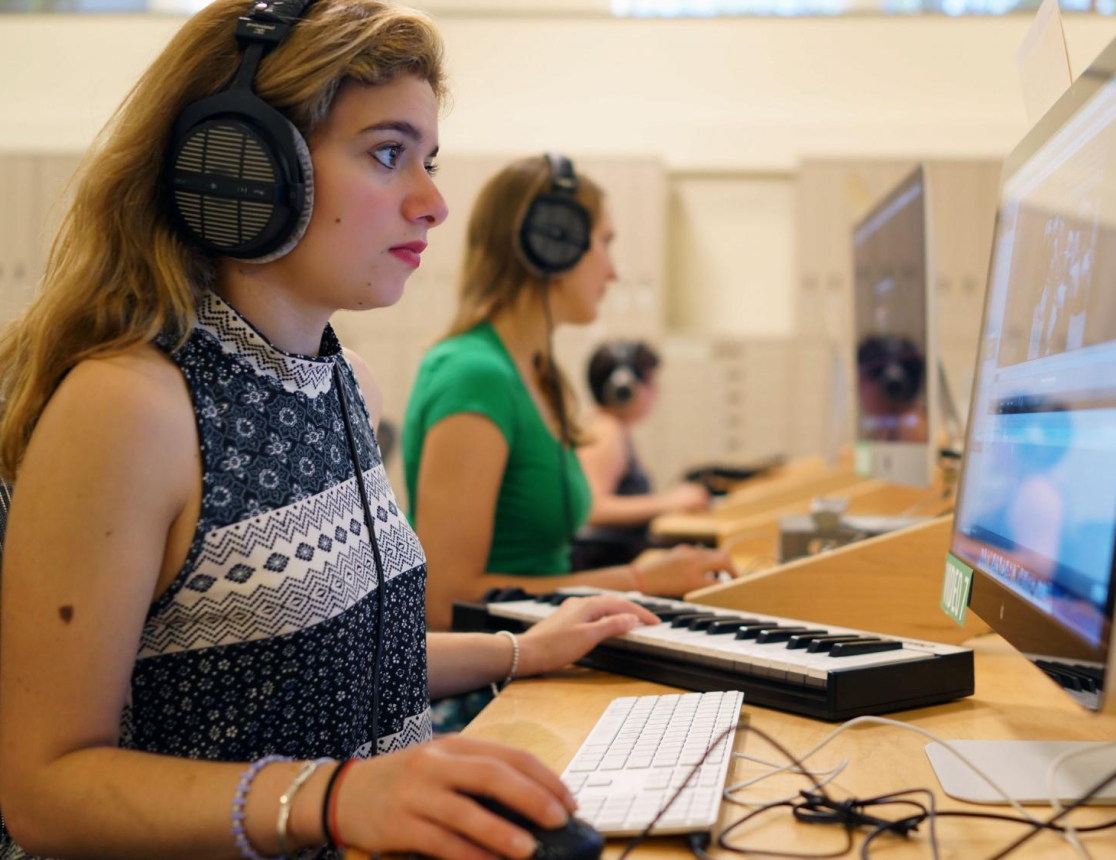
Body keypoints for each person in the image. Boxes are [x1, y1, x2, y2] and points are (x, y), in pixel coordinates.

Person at [0, 2, 659, 857]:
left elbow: (337, 663)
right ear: (243, 169)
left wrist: (517, 651)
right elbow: (46, 791)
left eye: (428, 160)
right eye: (389, 155)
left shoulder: (339, 382)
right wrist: (340, 800)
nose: (432, 203)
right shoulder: (131, 409)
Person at [403, 156, 736, 631]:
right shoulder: (474, 375)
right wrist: (638, 578)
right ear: (552, 243)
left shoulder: (538, 372)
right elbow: (445, 602)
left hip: (538, 651)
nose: (614, 272)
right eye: (604, 243)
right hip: (494, 683)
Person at [571, 341, 710, 570]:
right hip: (606, 562)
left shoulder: (608, 426)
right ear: (624, 390)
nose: (655, 393)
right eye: (650, 384)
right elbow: (592, 508)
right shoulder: (606, 432)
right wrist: (669, 501)